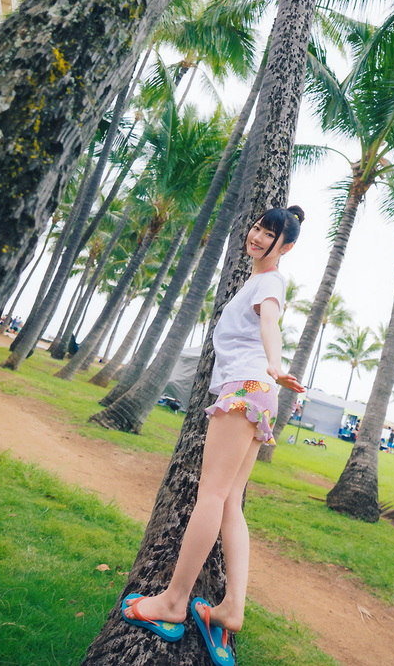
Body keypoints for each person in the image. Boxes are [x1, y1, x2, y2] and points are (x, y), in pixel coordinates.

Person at [122, 205, 306, 662]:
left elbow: (270, 322)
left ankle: (173, 602)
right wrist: (270, 373)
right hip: (259, 393)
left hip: (247, 386)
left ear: (286, 246)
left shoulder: (270, 283)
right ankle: (231, 610)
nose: (257, 236)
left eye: (269, 234)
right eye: (258, 227)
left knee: (211, 494)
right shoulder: (256, 280)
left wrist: (275, 363)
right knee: (229, 502)